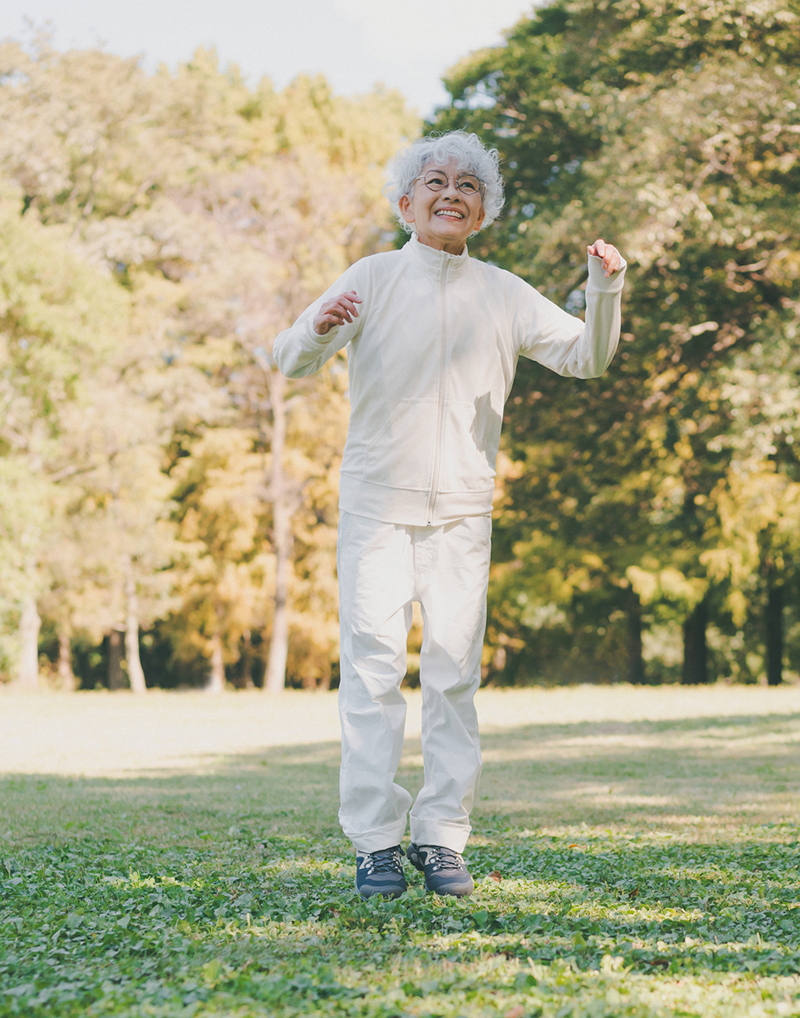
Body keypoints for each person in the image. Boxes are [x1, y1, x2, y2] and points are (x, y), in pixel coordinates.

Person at [274, 130, 626, 899]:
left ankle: (440, 839)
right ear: (406, 203)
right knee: (369, 677)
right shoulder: (372, 275)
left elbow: (586, 358)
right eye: (435, 181)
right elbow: (288, 357)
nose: (452, 193)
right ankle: (374, 843)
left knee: (453, 679)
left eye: (469, 185)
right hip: (376, 510)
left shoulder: (502, 292)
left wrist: (603, 293)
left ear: (483, 212)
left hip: (463, 514)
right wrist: (318, 327)